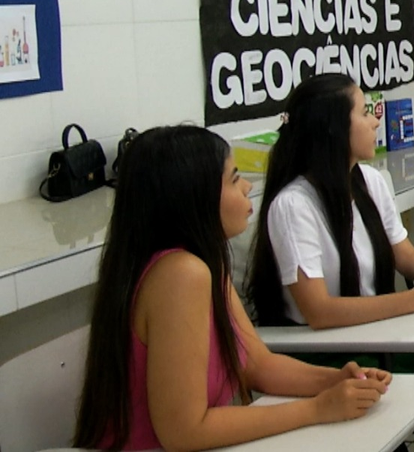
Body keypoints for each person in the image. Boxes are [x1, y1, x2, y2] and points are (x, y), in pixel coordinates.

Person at [74, 125, 389, 452]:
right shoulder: (180, 275)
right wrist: (318, 409)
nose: (247, 186)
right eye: (234, 178)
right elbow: (185, 432)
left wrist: (337, 381)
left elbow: (257, 365)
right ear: (194, 195)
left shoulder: (204, 263)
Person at [246, 73, 414, 452]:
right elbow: (318, 311)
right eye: (364, 113)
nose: (374, 122)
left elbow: (406, 256)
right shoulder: (293, 205)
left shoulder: (370, 180)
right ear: (334, 129)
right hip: (325, 351)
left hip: (377, 336)